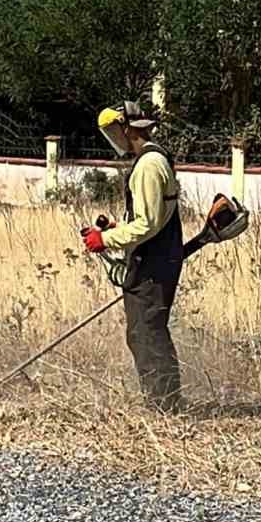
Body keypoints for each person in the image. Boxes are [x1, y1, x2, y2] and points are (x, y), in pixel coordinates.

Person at [81, 101, 184, 414]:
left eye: (115, 131)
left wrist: (106, 239)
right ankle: (166, 402)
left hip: (152, 261)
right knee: (147, 328)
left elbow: (149, 223)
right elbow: (150, 217)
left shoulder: (148, 165)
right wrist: (117, 227)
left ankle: (164, 406)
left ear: (127, 129)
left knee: (146, 331)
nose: (115, 138)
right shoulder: (154, 158)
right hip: (157, 256)